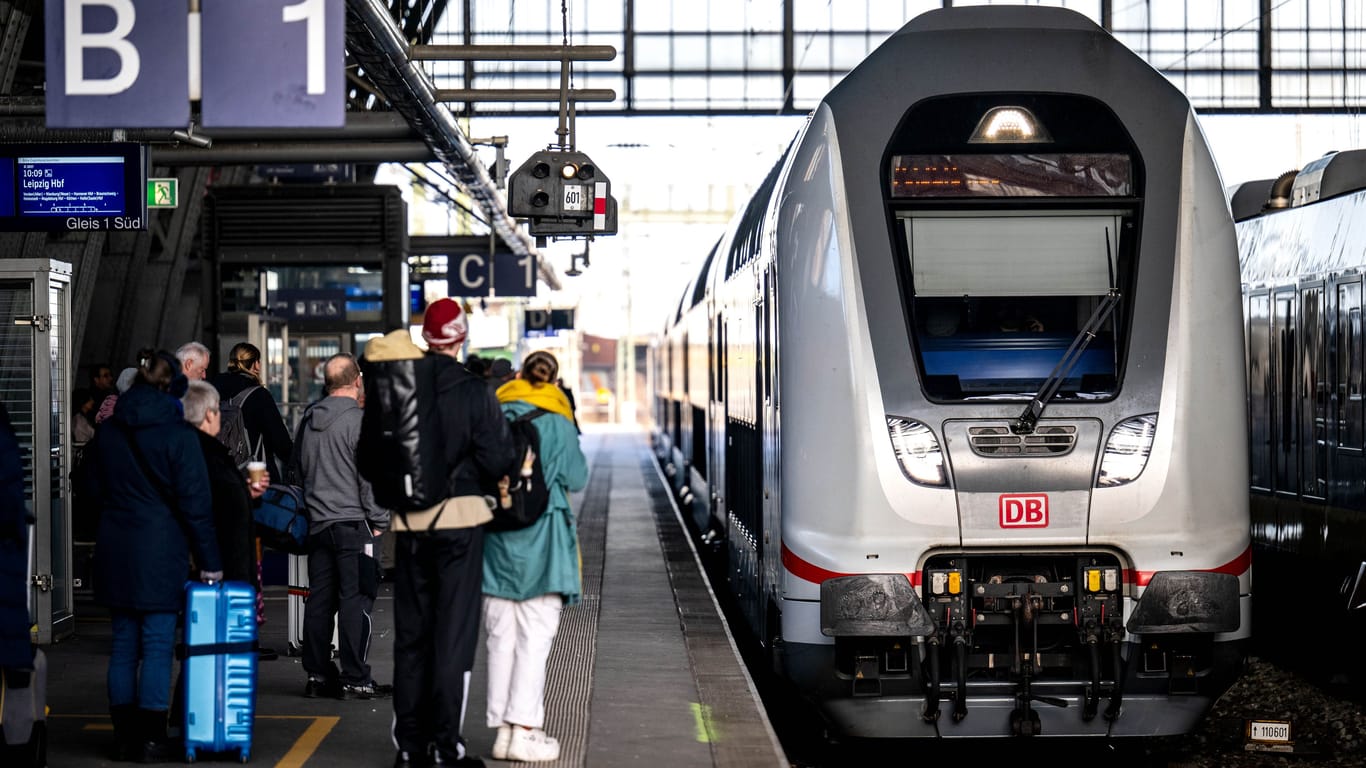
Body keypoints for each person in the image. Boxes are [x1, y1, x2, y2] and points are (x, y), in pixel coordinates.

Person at [380, 297, 516, 768]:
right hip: (460, 525)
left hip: (410, 528)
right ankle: (444, 747)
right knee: (451, 637)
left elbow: (373, 457)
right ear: (459, 339)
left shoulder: (401, 389)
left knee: (411, 637)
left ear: (426, 337)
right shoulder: (476, 391)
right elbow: (501, 459)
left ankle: (408, 748)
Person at [86, 351, 222, 762]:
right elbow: (196, 504)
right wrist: (210, 561)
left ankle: (123, 737)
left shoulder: (109, 433)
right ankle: (149, 738)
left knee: (124, 645)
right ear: (173, 389)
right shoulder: (179, 435)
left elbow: (89, 490)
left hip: (115, 548)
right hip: (162, 550)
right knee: (159, 644)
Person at [483, 350, 588, 762]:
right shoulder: (558, 419)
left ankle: (504, 730)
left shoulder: (494, 413)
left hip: (496, 539)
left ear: (519, 375)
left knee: (500, 637)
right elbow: (577, 478)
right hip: (543, 542)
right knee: (535, 638)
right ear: (553, 380)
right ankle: (525, 729)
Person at [295, 353, 392, 700]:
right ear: (357, 380)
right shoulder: (359, 422)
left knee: (320, 601)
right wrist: (380, 522)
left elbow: (300, 470)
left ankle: (318, 676)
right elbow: (370, 479)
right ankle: (355, 677)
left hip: (319, 524)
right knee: (356, 599)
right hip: (355, 526)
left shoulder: (308, 420)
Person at [182, 381, 268, 584]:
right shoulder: (206, 454)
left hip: (224, 565)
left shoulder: (202, 451)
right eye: (218, 410)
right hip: (223, 569)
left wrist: (247, 493)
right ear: (209, 415)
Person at [209, 342, 293, 484]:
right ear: (255, 364)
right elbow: (280, 441)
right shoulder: (259, 395)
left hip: (217, 473)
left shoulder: (211, 387)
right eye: (258, 361)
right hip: (254, 476)